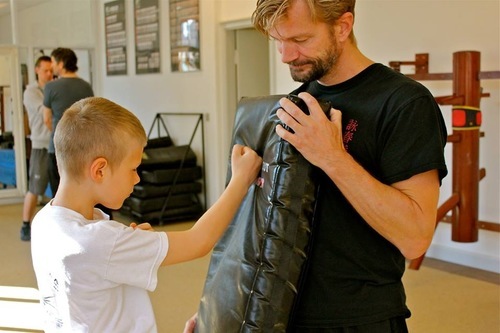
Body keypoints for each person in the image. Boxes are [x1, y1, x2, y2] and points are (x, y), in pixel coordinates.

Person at [186, 0, 448, 332]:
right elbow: (252, 223)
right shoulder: (292, 106)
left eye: (300, 40)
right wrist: (220, 306)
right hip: (280, 316)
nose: (285, 55)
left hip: (358, 319)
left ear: (343, 26)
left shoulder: (404, 104)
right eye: (278, 41)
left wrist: (331, 157)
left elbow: (415, 239)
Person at [31, 97, 262, 332]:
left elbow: (88, 277)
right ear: (99, 170)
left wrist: (126, 245)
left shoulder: (44, 221)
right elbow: (198, 241)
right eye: (133, 169)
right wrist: (240, 180)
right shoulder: (101, 242)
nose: (137, 178)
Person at [43, 47, 94, 197]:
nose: (51, 66)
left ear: (61, 63)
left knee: (59, 193)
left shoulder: (51, 86)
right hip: (83, 147)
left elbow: (47, 119)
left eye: (52, 61)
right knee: (82, 191)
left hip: (58, 147)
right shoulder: (86, 86)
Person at [20, 55, 53, 241]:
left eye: (51, 70)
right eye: (45, 70)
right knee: (35, 187)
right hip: (40, 145)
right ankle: (25, 224)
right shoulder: (31, 92)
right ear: (37, 70)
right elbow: (46, 113)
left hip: (56, 145)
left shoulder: (53, 88)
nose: (49, 74)